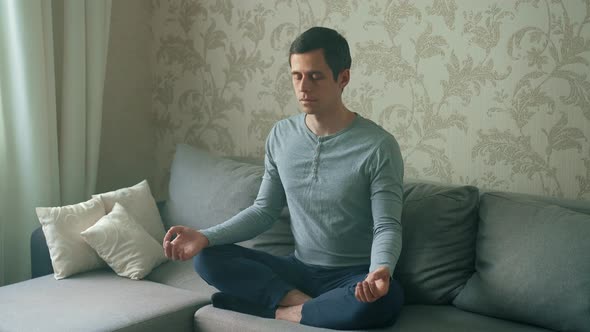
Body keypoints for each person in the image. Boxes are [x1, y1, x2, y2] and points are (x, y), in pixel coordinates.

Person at [163, 26, 404, 330]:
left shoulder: (378, 146)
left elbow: (386, 225)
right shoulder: (281, 135)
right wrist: (205, 235)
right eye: (297, 75)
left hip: (352, 276)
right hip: (298, 270)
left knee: (387, 299)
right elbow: (264, 210)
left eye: (315, 76)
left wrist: (380, 270)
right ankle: (304, 305)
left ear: (343, 78)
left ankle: (278, 311)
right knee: (206, 256)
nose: (304, 87)